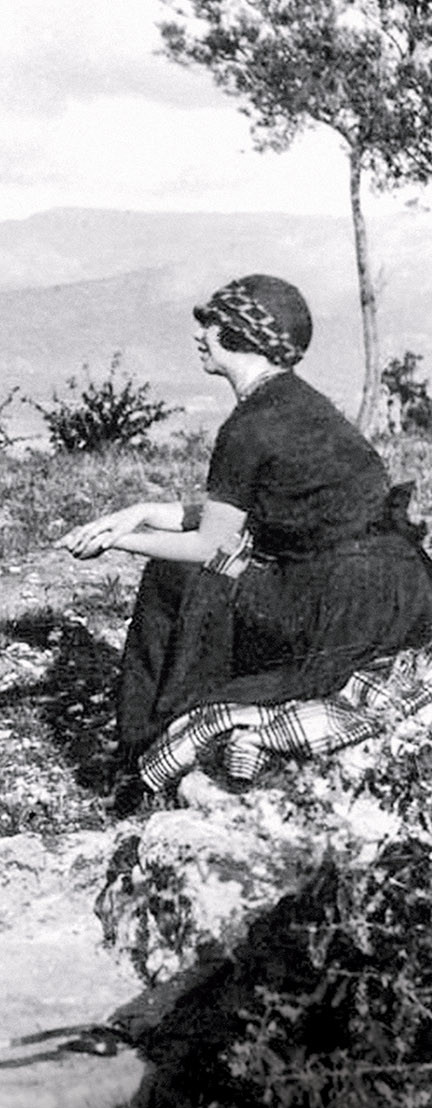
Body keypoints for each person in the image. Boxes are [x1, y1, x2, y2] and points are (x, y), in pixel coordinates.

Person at [58, 275, 432, 805]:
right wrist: (139, 514)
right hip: (397, 595)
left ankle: (143, 743)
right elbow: (253, 511)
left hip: (339, 609)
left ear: (241, 334)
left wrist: (122, 542)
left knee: (177, 575)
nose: (200, 335)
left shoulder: (249, 427)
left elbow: (209, 545)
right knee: (221, 571)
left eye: (211, 324)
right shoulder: (301, 402)